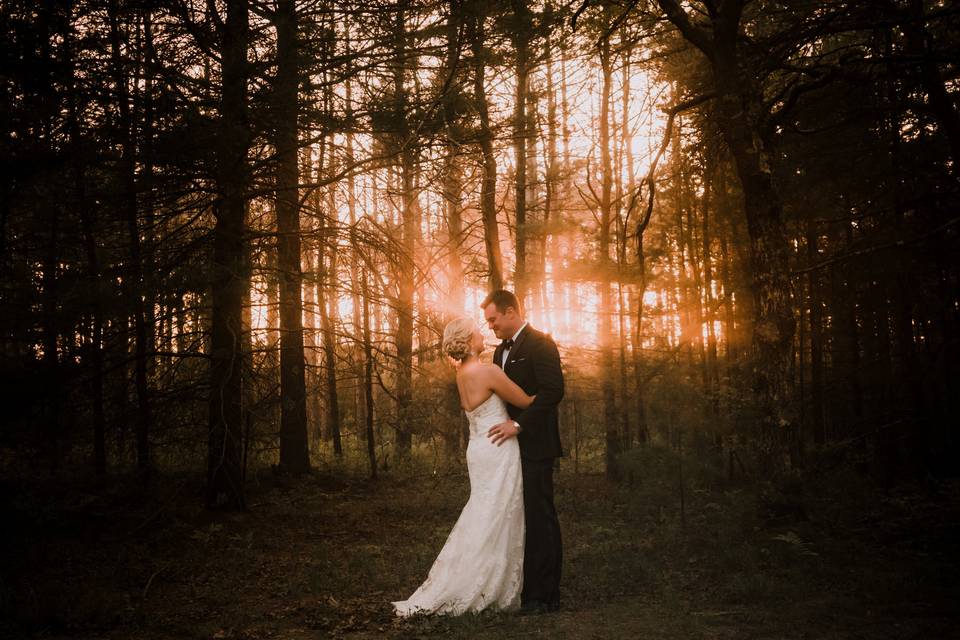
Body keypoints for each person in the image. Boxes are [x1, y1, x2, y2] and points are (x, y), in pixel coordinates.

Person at [392, 317, 534, 617]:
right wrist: (547, 392)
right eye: (477, 332)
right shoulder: (488, 371)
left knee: (483, 512)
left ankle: (469, 578)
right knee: (499, 514)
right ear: (469, 340)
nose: (483, 334)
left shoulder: (462, 374)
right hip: (498, 448)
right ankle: (489, 586)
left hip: (478, 448)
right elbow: (525, 400)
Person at [482, 289, 565, 614]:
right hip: (509, 451)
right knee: (519, 518)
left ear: (510, 312)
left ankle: (545, 596)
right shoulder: (497, 352)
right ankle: (524, 588)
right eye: (488, 322)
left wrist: (519, 426)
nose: (491, 326)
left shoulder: (541, 343)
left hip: (536, 445)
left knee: (540, 517)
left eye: (493, 319)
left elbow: (553, 391)